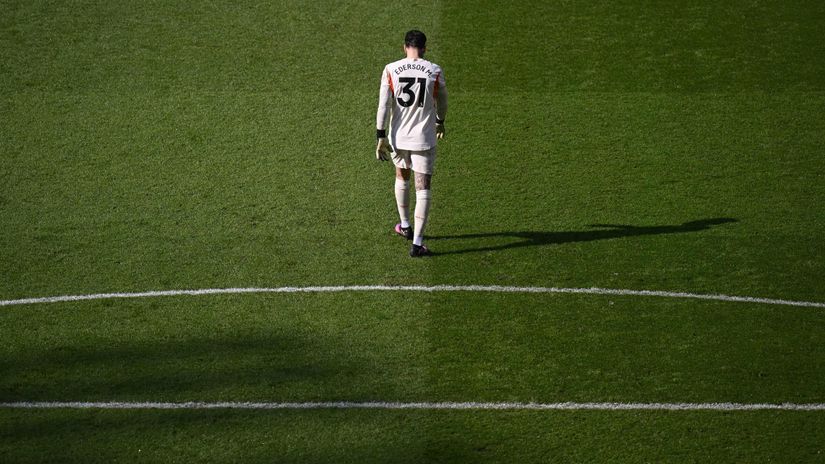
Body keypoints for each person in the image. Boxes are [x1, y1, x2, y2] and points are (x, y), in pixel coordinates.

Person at [375, 30, 448, 257]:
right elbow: (443, 99)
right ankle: (417, 243)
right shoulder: (434, 71)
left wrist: (380, 137)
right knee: (423, 186)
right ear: (425, 48)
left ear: (404, 47)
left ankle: (405, 225)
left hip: (398, 138)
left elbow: (383, 106)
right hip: (424, 139)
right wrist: (440, 122)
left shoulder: (391, 69)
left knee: (401, 175)